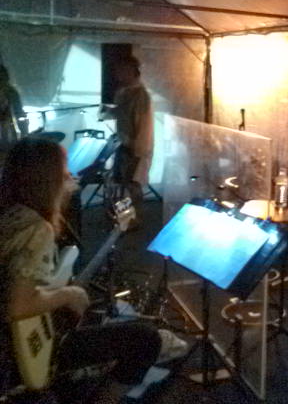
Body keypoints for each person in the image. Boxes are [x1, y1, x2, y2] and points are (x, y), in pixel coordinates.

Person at [0, 139, 181, 401]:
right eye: (63, 169)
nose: (69, 174)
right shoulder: (36, 228)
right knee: (145, 339)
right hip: (16, 355)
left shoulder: (10, 214)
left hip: (11, 346)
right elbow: (18, 306)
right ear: (46, 179)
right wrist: (68, 294)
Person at [110, 55, 154, 227]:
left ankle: (133, 221)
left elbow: (144, 125)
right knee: (124, 185)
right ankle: (125, 219)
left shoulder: (141, 95)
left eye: (121, 71)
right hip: (125, 145)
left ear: (131, 71)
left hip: (136, 148)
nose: (117, 75)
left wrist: (138, 151)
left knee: (133, 185)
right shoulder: (124, 92)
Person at [0, 65, 27, 163]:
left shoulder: (12, 93)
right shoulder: (11, 92)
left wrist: (24, 133)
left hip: (9, 137)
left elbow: (20, 115)